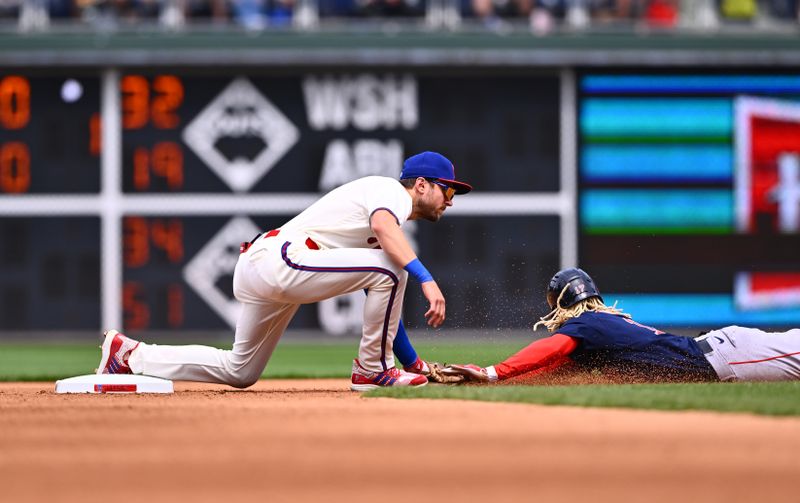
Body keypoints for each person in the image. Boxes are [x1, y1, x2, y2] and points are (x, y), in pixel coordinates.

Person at [97, 151, 472, 391]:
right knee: (394, 269)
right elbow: (384, 235)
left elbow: (381, 300)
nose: (450, 201)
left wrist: (413, 363)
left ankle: (128, 355)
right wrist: (427, 278)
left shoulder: (386, 224)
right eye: (448, 191)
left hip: (266, 268)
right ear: (421, 184)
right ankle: (372, 371)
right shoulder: (390, 192)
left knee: (239, 371)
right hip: (283, 258)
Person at [445, 267, 800, 384]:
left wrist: (494, 372)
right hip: (719, 352)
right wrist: (488, 382)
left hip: (722, 356)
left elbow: (551, 349)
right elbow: (554, 370)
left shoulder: (588, 324)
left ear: (561, 302)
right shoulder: (596, 332)